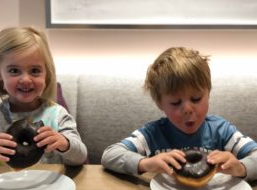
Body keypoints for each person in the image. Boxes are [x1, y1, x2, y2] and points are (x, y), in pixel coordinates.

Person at [101, 47, 257, 181]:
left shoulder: (222, 131)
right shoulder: (153, 134)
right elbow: (110, 155)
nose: (187, 109)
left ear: (208, 94)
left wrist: (241, 168)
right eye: (176, 102)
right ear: (160, 104)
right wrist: (145, 163)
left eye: (196, 98)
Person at [0, 27, 87, 174]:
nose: (25, 79)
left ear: (46, 73)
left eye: (35, 71)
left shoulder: (57, 115)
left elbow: (80, 156)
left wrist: (65, 143)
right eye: (14, 70)